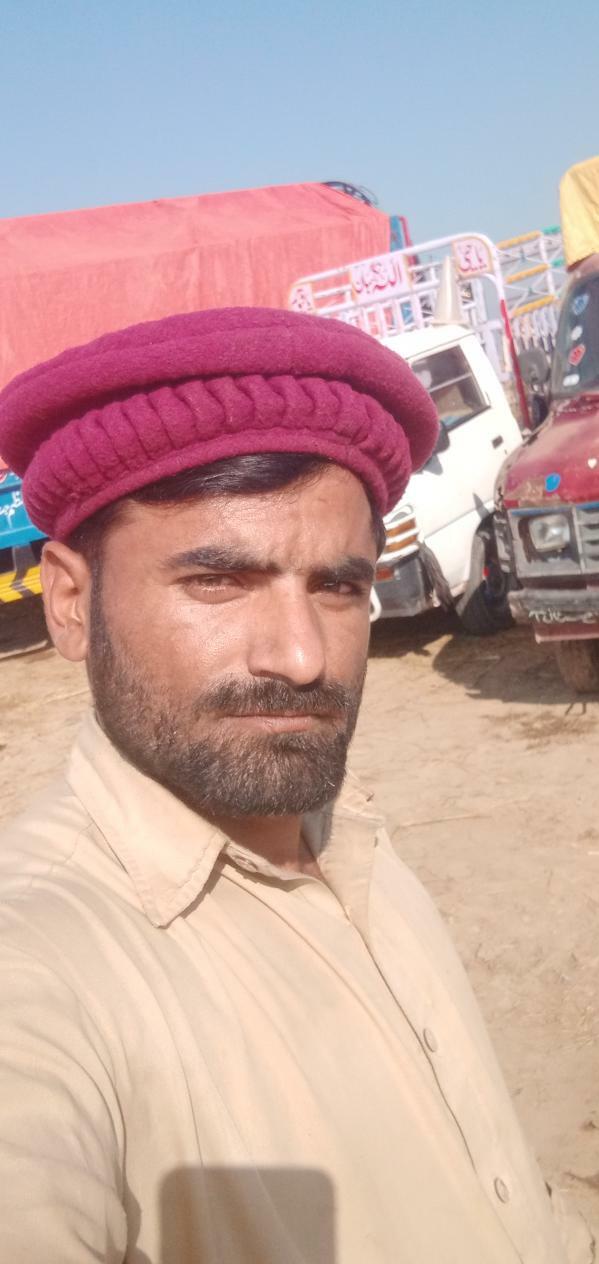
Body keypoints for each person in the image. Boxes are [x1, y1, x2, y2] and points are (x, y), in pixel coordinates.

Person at [0, 307, 587, 1263]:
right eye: (218, 583)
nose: (303, 657)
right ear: (71, 602)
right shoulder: (37, 967)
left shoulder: (346, 833)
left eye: (337, 587)